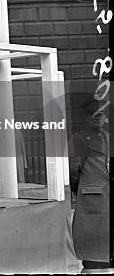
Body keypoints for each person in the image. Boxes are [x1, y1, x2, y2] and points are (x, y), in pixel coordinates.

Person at [68, 99, 110, 272]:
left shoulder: (107, 136)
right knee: (93, 249)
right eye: (94, 115)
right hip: (92, 198)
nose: (98, 118)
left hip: (106, 196)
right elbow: (73, 171)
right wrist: (84, 190)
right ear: (87, 118)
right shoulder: (79, 139)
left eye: (102, 114)